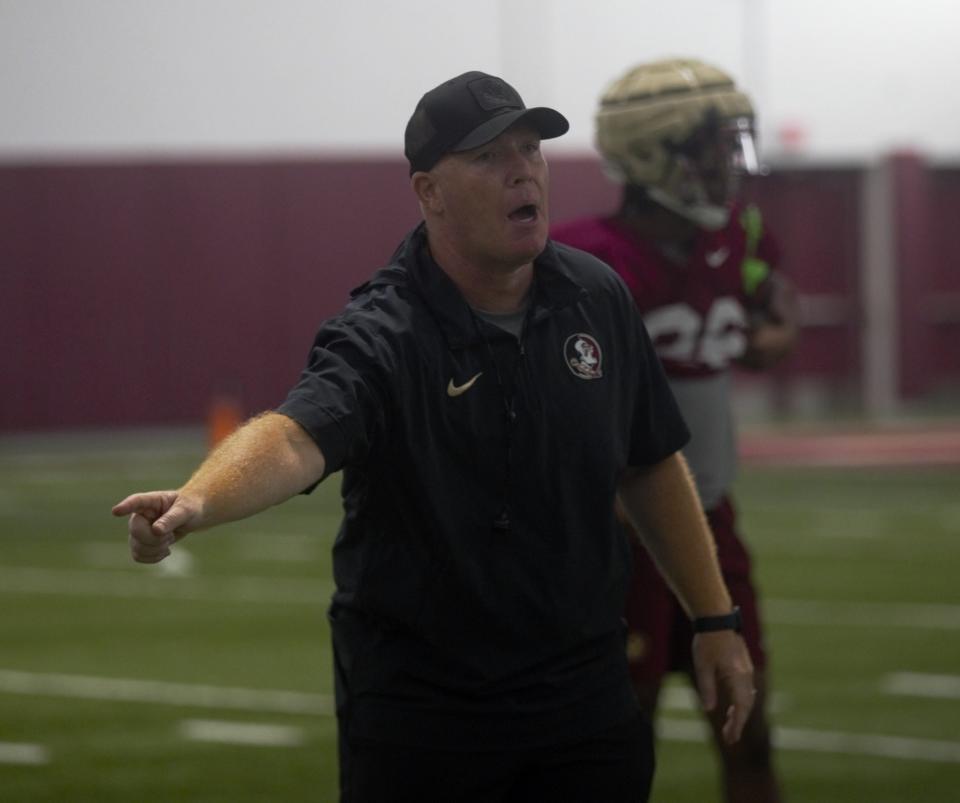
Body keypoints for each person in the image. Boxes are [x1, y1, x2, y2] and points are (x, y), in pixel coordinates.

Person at [112, 70, 756, 803]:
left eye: (530, 148)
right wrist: (198, 499)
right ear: (429, 192)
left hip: (582, 699)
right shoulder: (384, 331)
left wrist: (715, 618)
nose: (522, 170)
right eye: (488, 157)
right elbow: (295, 437)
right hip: (427, 715)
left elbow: (649, 462)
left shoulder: (596, 298)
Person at [552, 58, 799, 803]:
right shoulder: (584, 260)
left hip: (712, 517)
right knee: (625, 744)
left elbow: (769, 305)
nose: (730, 165)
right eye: (712, 147)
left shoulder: (737, 236)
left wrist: (774, 333)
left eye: (734, 144)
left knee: (747, 727)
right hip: (610, 537)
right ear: (654, 152)